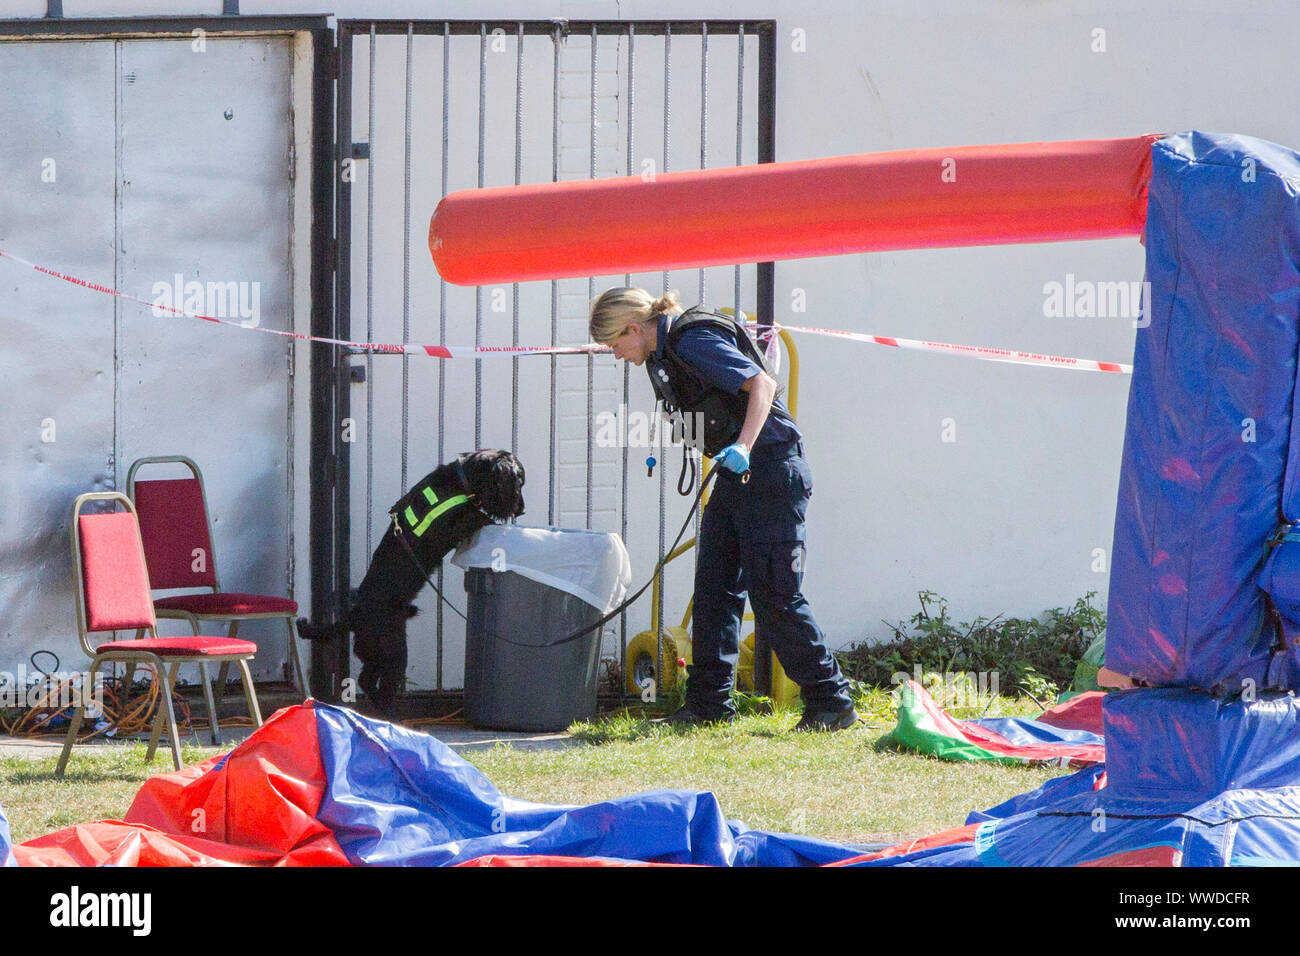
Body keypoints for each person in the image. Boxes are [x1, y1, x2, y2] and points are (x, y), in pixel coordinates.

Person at [589, 287, 858, 731]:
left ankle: (832, 701)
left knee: (774, 596)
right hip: (737, 478)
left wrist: (744, 446)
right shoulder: (663, 351)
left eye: (615, 345)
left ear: (633, 327)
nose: (617, 355)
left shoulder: (692, 341)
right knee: (713, 591)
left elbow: (762, 384)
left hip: (770, 469)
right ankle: (708, 705)